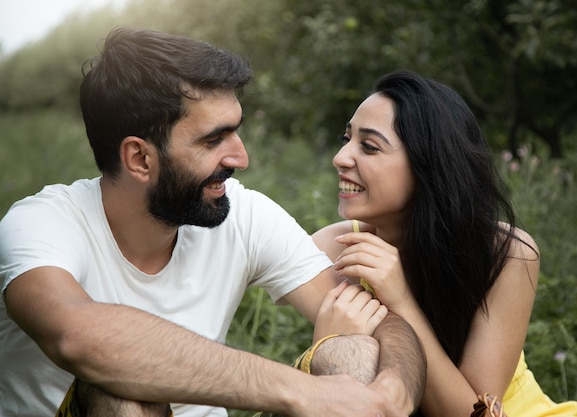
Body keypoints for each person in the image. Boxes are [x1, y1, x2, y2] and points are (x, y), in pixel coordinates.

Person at [0, 29, 426, 417]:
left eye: (236, 132)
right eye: (213, 139)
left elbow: (387, 325)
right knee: (120, 384)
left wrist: (395, 386)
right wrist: (299, 391)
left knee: (355, 353)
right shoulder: (40, 225)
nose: (241, 159)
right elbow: (79, 337)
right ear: (139, 158)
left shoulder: (244, 215)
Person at [311, 70, 577, 417]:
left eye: (369, 146)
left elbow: (474, 413)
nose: (341, 157)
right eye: (346, 138)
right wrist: (324, 344)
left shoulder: (505, 254)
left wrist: (400, 299)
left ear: (428, 165)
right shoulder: (334, 249)